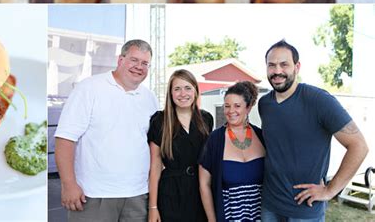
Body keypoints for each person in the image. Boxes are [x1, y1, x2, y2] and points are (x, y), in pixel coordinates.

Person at [259, 39, 368, 222]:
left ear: (297, 66)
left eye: (284, 64)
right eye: (272, 65)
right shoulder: (265, 104)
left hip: (305, 211)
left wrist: (330, 190)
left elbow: (359, 145)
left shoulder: (319, 100)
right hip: (270, 206)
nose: (277, 71)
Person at [55, 39, 159, 222]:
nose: (139, 67)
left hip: (137, 196)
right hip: (93, 195)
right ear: (120, 60)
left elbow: (153, 146)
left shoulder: (149, 98)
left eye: (145, 63)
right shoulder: (88, 88)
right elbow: (65, 139)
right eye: (134, 60)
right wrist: (69, 184)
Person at [148, 69, 213, 222]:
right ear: (170, 93)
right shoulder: (160, 121)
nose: (183, 94)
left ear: (196, 91)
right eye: (177, 89)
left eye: (187, 88)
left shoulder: (206, 119)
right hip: (171, 192)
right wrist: (153, 207)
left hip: (200, 191)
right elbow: (155, 165)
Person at [199, 81, 265, 222]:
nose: (231, 111)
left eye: (237, 106)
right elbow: (204, 184)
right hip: (230, 217)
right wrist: (212, 219)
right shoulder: (215, 140)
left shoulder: (262, 136)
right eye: (227, 106)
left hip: (262, 216)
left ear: (248, 108)